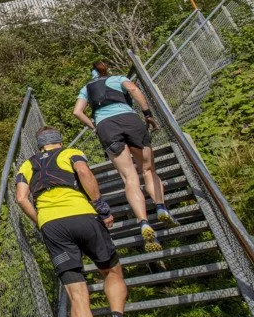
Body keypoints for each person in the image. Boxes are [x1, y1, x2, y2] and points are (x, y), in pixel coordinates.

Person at [15, 126, 142, 317]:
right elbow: (84, 173)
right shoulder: (70, 152)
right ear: (58, 142)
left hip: (51, 225)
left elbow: (21, 198)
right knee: (111, 270)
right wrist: (100, 205)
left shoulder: (27, 164)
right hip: (82, 216)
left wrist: (42, 222)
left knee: (76, 294)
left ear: (39, 146)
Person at [73, 60, 178, 254]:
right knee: (147, 170)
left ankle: (144, 222)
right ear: (106, 71)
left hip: (106, 127)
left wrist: (94, 126)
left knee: (129, 178)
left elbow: (77, 112)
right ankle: (161, 207)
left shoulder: (86, 89)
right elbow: (135, 90)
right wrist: (147, 114)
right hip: (129, 120)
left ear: (92, 74)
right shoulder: (118, 79)